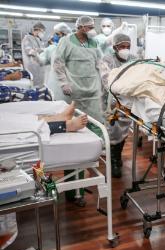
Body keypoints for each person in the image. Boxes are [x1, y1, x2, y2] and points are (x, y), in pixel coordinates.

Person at [53, 16, 104, 204]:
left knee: (95, 129)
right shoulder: (67, 42)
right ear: (80, 27)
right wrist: (63, 83)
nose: (92, 29)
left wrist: (104, 83)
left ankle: (92, 160)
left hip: (92, 91)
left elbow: (100, 65)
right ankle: (74, 190)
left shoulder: (94, 43)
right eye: (89, 26)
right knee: (73, 136)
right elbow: (58, 63)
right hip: (74, 92)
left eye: (93, 26)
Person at [100, 33, 136, 178]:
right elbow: (106, 79)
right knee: (113, 129)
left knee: (124, 130)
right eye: (122, 46)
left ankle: (117, 155)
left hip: (128, 100)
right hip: (112, 100)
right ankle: (114, 160)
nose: (125, 49)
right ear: (115, 47)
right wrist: (119, 92)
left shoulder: (133, 60)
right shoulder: (107, 60)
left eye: (128, 46)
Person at [38, 22, 72, 101]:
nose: (54, 36)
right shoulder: (74, 48)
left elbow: (40, 61)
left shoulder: (52, 49)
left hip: (57, 87)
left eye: (57, 34)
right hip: (67, 88)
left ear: (63, 34)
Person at [21, 22, 46, 87]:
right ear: (37, 30)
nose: (42, 33)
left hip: (38, 66)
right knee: (33, 85)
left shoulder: (37, 39)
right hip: (32, 66)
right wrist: (41, 50)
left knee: (40, 84)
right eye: (42, 31)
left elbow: (39, 49)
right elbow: (29, 51)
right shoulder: (27, 38)